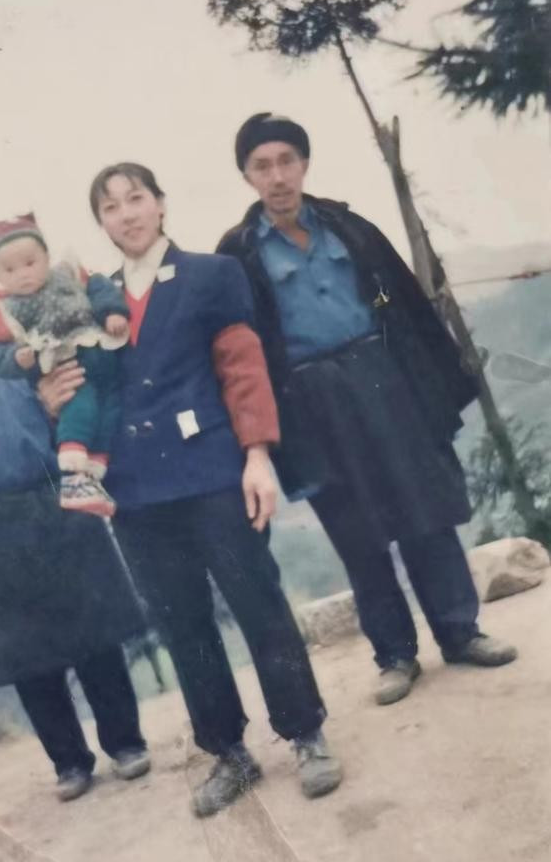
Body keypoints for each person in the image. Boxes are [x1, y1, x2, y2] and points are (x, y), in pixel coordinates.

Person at [48, 161, 342, 817]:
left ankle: (306, 734)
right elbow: (79, 389)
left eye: (136, 198)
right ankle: (228, 752)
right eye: (110, 206)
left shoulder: (212, 274)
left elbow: (243, 370)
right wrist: (51, 390)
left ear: (159, 203)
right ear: (100, 222)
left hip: (212, 470)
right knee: (182, 623)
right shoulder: (93, 303)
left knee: (259, 603)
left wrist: (257, 457)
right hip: (134, 490)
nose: (126, 214)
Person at [217, 112, 517, 707]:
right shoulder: (237, 256)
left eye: (287, 161)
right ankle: (395, 656)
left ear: (304, 164)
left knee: (426, 512)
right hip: (310, 405)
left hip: (384, 381)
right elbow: (238, 348)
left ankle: (461, 632)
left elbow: (401, 301)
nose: (277, 176)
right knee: (357, 532)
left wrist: (434, 386)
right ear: (247, 175)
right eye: (262, 166)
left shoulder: (349, 228)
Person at [0, 300, 150, 802]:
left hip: (56, 510)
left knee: (95, 639)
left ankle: (126, 744)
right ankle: (69, 763)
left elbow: (76, 422)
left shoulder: (28, 379)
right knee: (29, 660)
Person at [0, 212, 130, 516]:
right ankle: (73, 472)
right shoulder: (3, 311)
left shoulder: (68, 274)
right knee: (81, 407)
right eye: (10, 269)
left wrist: (112, 312)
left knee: (111, 409)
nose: (23, 274)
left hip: (102, 351)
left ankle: (94, 473)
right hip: (65, 362)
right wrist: (16, 358)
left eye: (30, 263)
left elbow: (100, 287)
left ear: (46, 258)